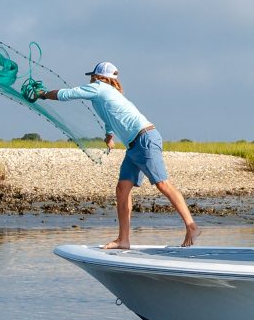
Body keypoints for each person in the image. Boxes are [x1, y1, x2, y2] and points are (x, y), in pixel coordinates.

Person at [33, 61, 196, 249]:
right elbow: (109, 117)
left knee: (162, 184)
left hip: (145, 139)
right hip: (134, 145)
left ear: (99, 77)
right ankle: (123, 240)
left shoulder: (99, 88)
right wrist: (109, 135)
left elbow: (67, 94)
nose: (91, 78)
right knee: (122, 188)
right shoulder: (109, 94)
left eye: (93, 75)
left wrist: (43, 95)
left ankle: (191, 226)